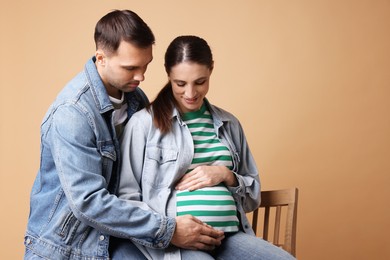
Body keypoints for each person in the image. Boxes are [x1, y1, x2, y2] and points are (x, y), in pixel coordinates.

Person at [24, 11, 223, 260]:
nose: (141, 76)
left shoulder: (134, 99)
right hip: (67, 249)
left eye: (145, 65)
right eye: (131, 68)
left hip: (118, 238)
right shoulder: (73, 113)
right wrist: (169, 229)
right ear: (101, 58)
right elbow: (89, 202)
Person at [119, 35, 296, 259]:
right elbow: (127, 198)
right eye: (180, 84)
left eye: (200, 82)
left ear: (211, 71)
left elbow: (253, 198)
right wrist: (170, 230)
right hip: (179, 243)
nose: (191, 93)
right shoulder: (144, 124)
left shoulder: (230, 124)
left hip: (231, 236)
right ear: (168, 75)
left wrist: (226, 175)